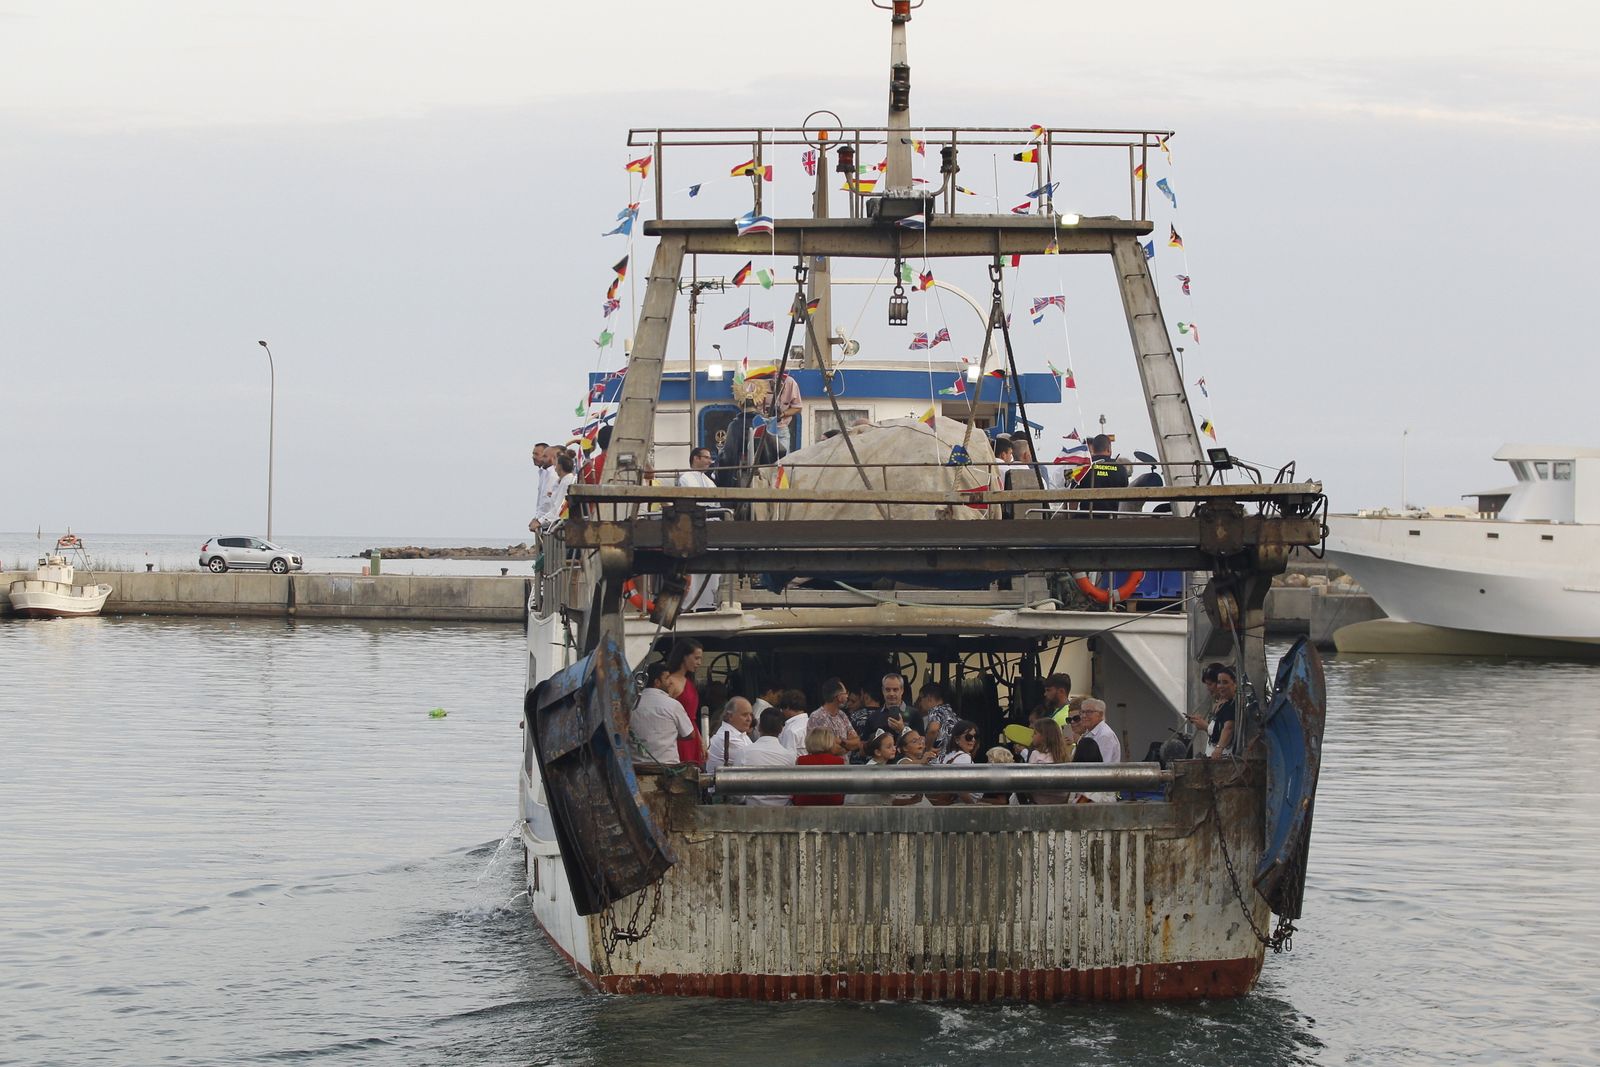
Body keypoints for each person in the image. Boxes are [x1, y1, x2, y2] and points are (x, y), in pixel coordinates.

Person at [629, 662, 694, 764]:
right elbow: (690, 734)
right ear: (657, 682)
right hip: (667, 767)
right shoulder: (673, 705)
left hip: (636, 767)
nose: (671, 682)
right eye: (667, 678)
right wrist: (668, 734)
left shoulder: (630, 705)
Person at [731, 707, 797, 805]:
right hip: (783, 813)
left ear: (759, 727)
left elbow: (735, 790)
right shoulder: (790, 757)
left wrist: (746, 800)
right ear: (781, 729)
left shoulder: (744, 753)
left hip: (751, 813)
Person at [664, 638, 706, 764]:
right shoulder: (671, 681)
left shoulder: (689, 681)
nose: (699, 662)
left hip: (692, 732)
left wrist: (701, 741)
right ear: (684, 657)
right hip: (680, 735)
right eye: (696, 658)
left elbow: (692, 718)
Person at [929, 719, 982, 805]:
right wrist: (972, 806)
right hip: (961, 806)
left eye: (975, 737)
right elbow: (960, 787)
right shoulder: (964, 757)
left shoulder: (948, 755)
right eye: (969, 737)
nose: (973, 740)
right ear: (957, 739)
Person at [1193, 665, 1238, 758]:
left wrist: (1219, 749)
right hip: (1212, 755)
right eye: (1219, 682)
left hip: (1223, 756)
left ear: (1234, 683)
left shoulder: (1231, 705)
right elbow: (1217, 732)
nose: (1221, 686)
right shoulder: (1218, 705)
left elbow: (1228, 729)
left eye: (1210, 684)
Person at [792, 728, 846, 806]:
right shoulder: (838, 761)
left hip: (804, 804)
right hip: (832, 804)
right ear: (829, 742)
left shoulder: (801, 761)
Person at [807, 678, 861, 755]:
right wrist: (848, 746)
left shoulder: (842, 715)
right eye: (845, 693)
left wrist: (841, 742)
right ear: (839, 697)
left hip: (843, 765)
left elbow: (857, 742)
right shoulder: (817, 717)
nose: (847, 696)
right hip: (826, 765)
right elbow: (827, 749)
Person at [1076, 433, 1129, 512]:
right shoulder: (1120, 469)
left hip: (1086, 518)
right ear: (1109, 449)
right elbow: (1126, 495)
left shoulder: (1083, 467)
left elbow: (1073, 497)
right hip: (1113, 518)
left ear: (1093, 449)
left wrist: (1071, 517)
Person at [1027, 719, 1074, 804]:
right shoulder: (1065, 756)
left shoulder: (1035, 754)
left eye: (1035, 733)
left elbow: (1029, 783)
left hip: (1039, 802)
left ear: (1044, 736)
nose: (1031, 736)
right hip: (1061, 803)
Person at [847, 728, 898, 805]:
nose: (894, 749)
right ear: (878, 752)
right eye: (889, 747)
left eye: (894, 745)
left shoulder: (878, 766)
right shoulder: (874, 769)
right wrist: (911, 800)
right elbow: (892, 800)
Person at [705, 697, 754, 773]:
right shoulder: (726, 738)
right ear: (730, 716)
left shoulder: (741, 734)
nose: (749, 719)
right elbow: (753, 762)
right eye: (745, 715)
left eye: (750, 715)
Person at [534, 449, 576, 531]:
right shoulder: (563, 480)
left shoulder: (567, 481)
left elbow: (558, 508)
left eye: (556, 465)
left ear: (559, 466)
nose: (555, 468)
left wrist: (539, 521)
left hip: (561, 525)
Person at [915, 682, 958, 756]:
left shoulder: (935, 710)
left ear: (929, 698)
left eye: (921, 699)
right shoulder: (950, 713)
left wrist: (927, 749)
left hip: (941, 758)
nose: (920, 703)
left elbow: (933, 730)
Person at [770, 369, 802, 456]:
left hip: (782, 427)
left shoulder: (791, 383)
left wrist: (783, 414)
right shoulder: (760, 383)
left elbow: (798, 408)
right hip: (764, 428)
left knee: (783, 459)